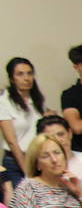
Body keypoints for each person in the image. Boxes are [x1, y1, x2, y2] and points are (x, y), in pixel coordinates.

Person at [1, 57, 47, 197]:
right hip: (16, 161)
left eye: (29, 73)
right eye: (20, 74)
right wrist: (27, 170)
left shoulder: (36, 99)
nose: (26, 78)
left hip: (38, 158)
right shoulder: (4, 101)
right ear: (12, 78)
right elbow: (12, 141)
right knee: (23, 202)